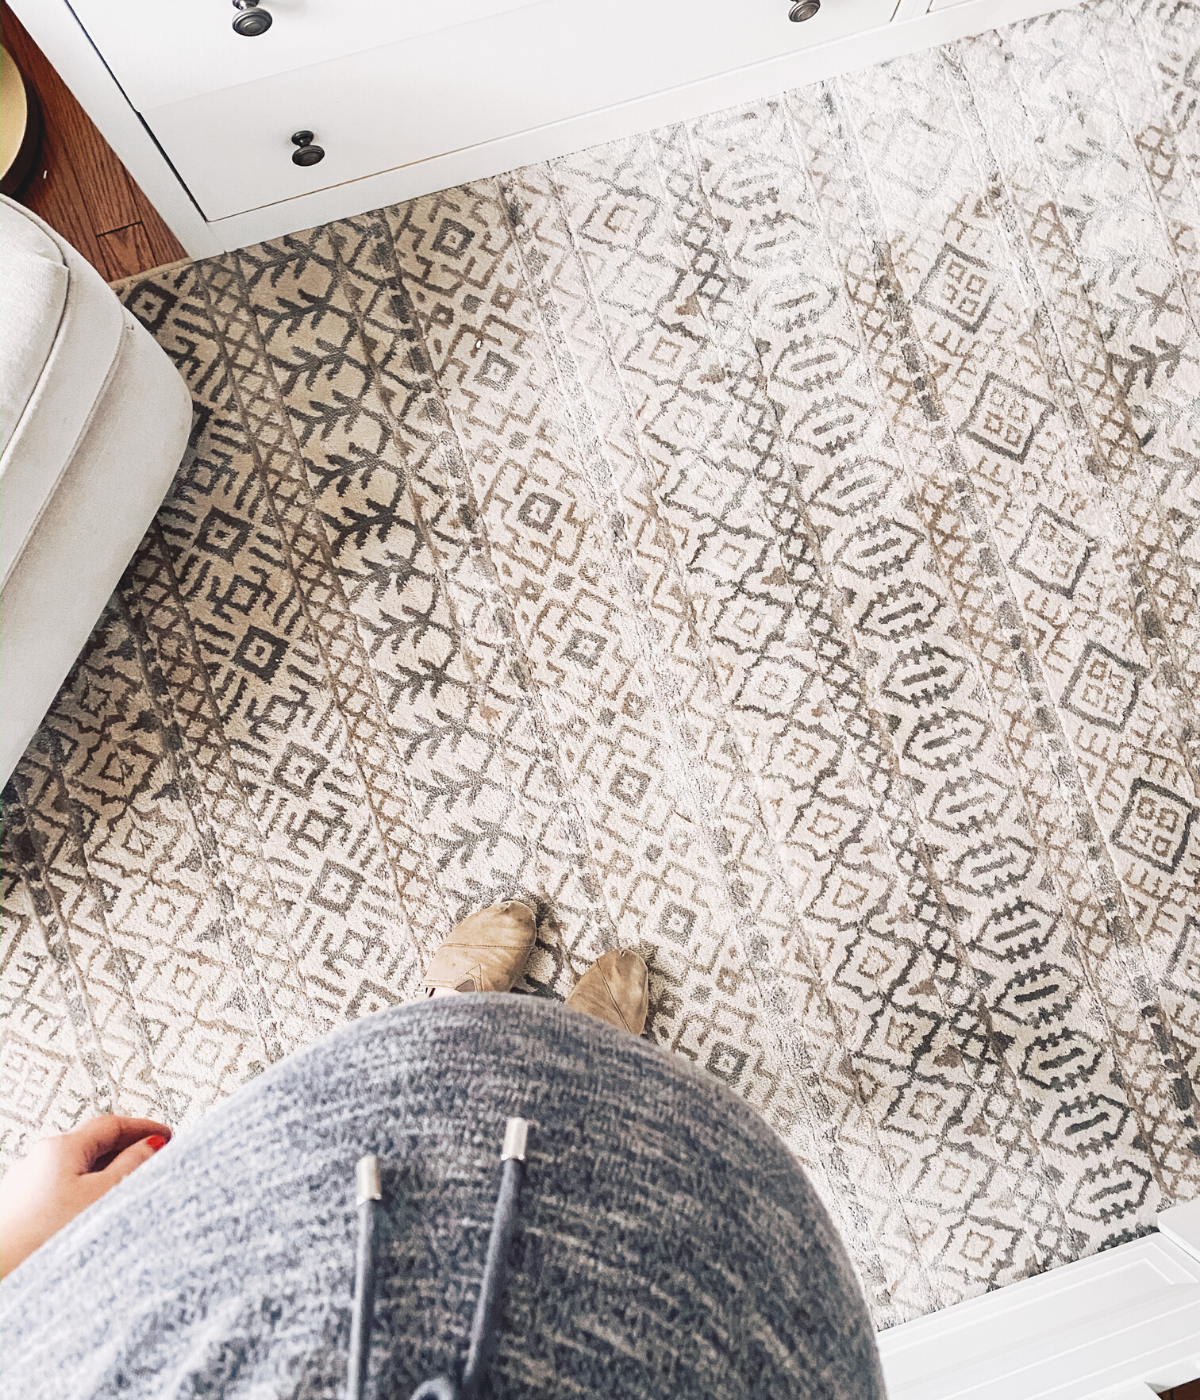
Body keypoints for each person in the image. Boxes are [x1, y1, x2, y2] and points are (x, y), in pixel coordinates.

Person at [0, 902, 885, 1399]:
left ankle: (464, 1017)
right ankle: (587, 1055)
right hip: (711, 1271)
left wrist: (14, 1256)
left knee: (391, 1101)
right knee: (572, 1101)